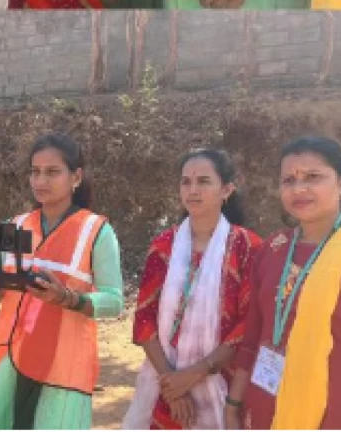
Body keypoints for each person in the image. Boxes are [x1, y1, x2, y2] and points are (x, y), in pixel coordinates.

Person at [0, 133, 124, 429]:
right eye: (35, 172)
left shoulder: (96, 231)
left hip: (64, 365)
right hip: (12, 358)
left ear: (76, 177)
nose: (41, 180)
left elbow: (114, 301)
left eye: (52, 172)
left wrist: (67, 298)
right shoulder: (15, 226)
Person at [122, 149, 262, 429]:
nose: (193, 190)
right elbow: (145, 320)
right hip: (165, 388)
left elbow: (248, 325)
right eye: (186, 182)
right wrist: (172, 385)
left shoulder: (248, 248)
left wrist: (196, 372)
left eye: (203, 181)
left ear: (227, 190)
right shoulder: (163, 246)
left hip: (224, 385)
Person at [226, 136, 341, 429]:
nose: (299, 189)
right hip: (264, 402)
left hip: (335, 409)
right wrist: (233, 404)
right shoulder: (273, 248)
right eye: (289, 180)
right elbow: (254, 335)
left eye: (313, 177)